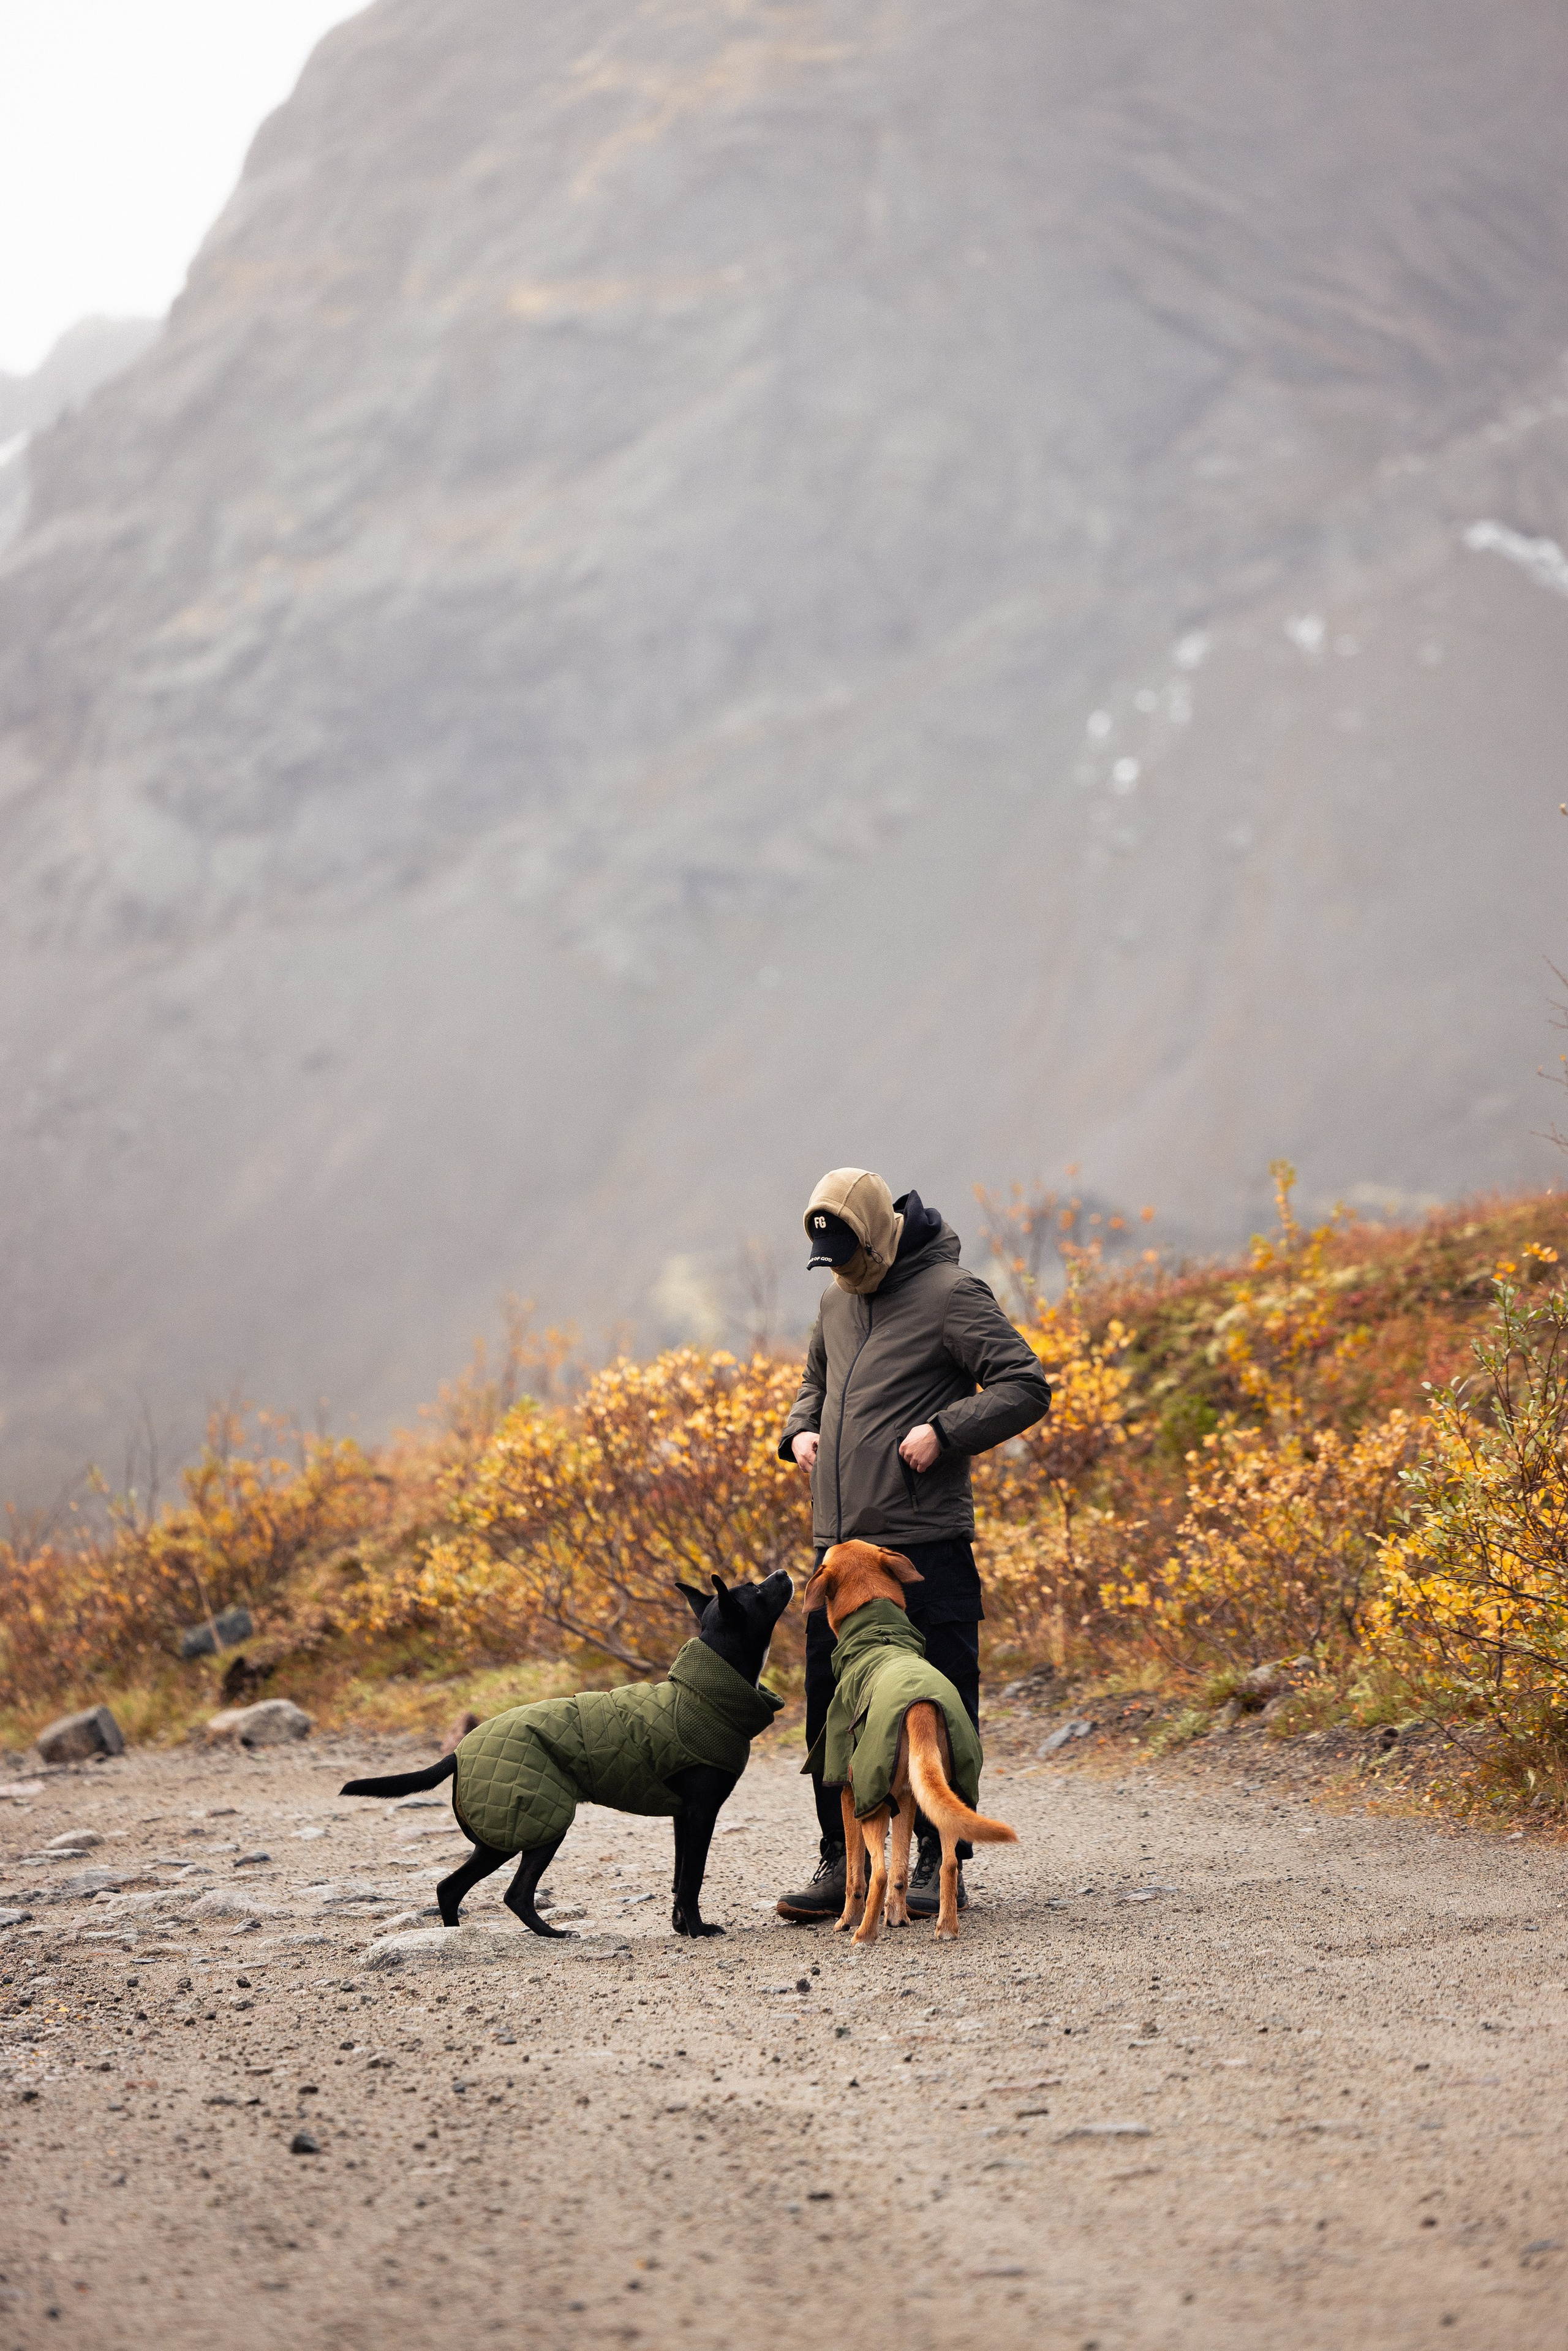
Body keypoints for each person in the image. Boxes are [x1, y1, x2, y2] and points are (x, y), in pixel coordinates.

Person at [775, 1168, 1051, 1920]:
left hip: (925, 1552)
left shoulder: (950, 1294)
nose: (843, 1273)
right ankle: (843, 1863)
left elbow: (1024, 1383)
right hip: (840, 1557)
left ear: (880, 1234)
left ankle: (939, 1859)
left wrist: (946, 1430)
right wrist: (799, 1429)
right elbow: (814, 1380)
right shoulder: (836, 1296)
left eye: (852, 1257)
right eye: (829, 1262)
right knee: (833, 1711)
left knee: (941, 1703)